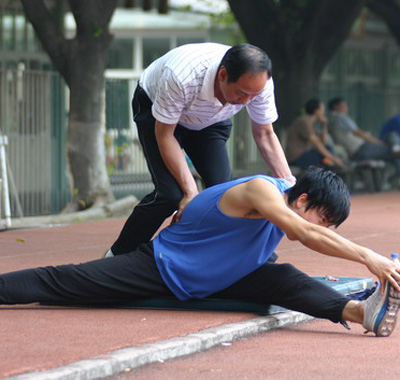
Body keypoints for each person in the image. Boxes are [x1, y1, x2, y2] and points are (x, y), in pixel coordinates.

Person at [1, 167, 400, 337]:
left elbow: (300, 232)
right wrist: (369, 256)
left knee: (284, 278)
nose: (323, 230)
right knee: (59, 282)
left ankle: (362, 312)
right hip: (162, 268)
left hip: (222, 276)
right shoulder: (264, 191)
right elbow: (302, 231)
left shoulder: (291, 200)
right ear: (303, 200)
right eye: (323, 219)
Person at [108, 42, 295, 256]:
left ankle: (245, 258)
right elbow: (165, 135)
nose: (246, 101)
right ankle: (117, 255)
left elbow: (264, 133)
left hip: (210, 121)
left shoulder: (259, 84)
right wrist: (190, 192)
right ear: (223, 74)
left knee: (228, 194)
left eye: (253, 96)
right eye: (242, 94)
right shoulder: (181, 75)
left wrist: (288, 183)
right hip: (160, 117)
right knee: (171, 195)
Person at [328, 97, 400, 179]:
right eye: (344, 105)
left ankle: (395, 147)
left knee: (394, 149)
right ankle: (395, 147)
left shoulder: (330, 119)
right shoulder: (340, 117)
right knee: (394, 149)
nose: (347, 108)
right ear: (336, 107)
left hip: (356, 151)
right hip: (361, 149)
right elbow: (358, 132)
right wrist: (377, 142)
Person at [286, 98, 344, 169]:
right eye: (322, 109)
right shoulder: (304, 121)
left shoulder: (311, 123)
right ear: (316, 111)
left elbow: (323, 142)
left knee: (327, 150)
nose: (324, 112)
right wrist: (333, 158)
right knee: (324, 157)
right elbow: (317, 144)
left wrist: (324, 125)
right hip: (296, 157)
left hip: (305, 154)